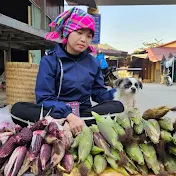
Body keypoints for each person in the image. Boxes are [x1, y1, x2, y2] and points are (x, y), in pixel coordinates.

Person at [10, 7, 124, 135]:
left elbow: (98, 93)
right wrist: (68, 115)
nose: (83, 39)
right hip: (55, 111)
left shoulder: (93, 63)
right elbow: (44, 98)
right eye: (79, 32)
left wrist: (120, 93)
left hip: (83, 112)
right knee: (17, 109)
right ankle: (75, 123)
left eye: (89, 36)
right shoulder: (49, 60)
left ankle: (62, 125)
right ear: (68, 31)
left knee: (118, 106)